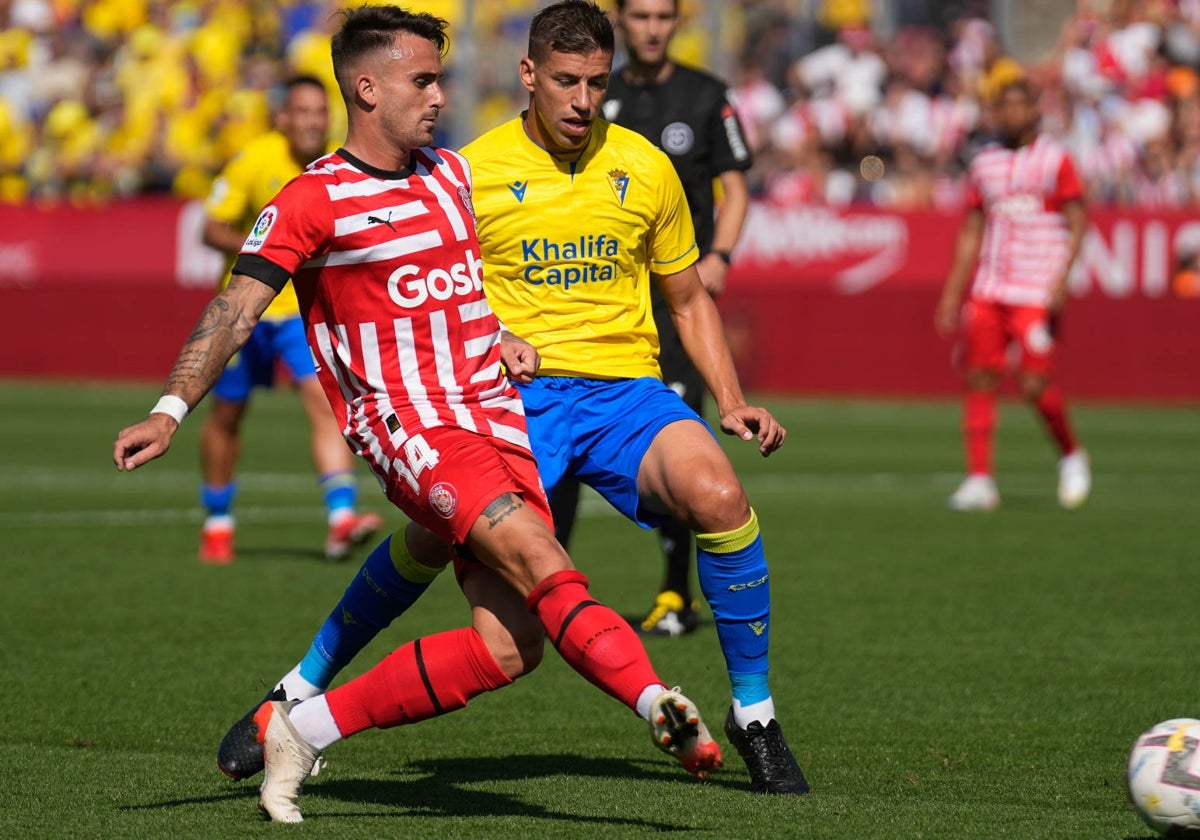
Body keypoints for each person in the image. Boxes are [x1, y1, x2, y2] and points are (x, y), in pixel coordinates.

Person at [113, 6, 721, 823]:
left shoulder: (448, 177)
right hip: (412, 431)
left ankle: (304, 724)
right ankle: (657, 705)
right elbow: (235, 309)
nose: (440, 95)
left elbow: (456, 291)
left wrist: (501, 334)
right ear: (367, 89)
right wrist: (169, 408)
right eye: (423, 80)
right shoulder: (313, 199)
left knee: (510, 648)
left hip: (495, 416)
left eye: (439, 78)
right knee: (543, 555)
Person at [545, 0, 754, 638]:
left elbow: (736, 187)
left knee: (680, 448)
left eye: (664, 16)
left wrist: (718, 255)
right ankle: (553, 583)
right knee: (568, 456)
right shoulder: (592, 101)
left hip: (678, 295)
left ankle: (672, 593)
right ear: (622, 23)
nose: (653, 27)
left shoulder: (706, 95)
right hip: (606, 301)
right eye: (641, 16)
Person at [197, 74, 381, 563]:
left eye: (319, 113)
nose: (311, 122)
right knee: (227, 417)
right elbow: (210, 229)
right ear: (282, 118)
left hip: (302, 312)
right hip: (248, 310)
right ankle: (217, 522)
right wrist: (270, 252)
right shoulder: (253, 161)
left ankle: (341, 517)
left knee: (323, 406)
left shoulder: (338, 166)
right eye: (301, 112)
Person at [935, 76, 1091, 512]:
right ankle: (980, 480)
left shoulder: (1055, 160)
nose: (1012, 114)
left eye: (1020, 105)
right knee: (980, 376)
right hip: (990, 287)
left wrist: (1062, 280)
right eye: (1004, 106)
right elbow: (971, 228)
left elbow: (1079, 220)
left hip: (1037, 289)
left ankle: (1071, 454)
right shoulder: (984, 162)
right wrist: (953, 291)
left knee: (1034, 383)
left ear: (1035, 109)